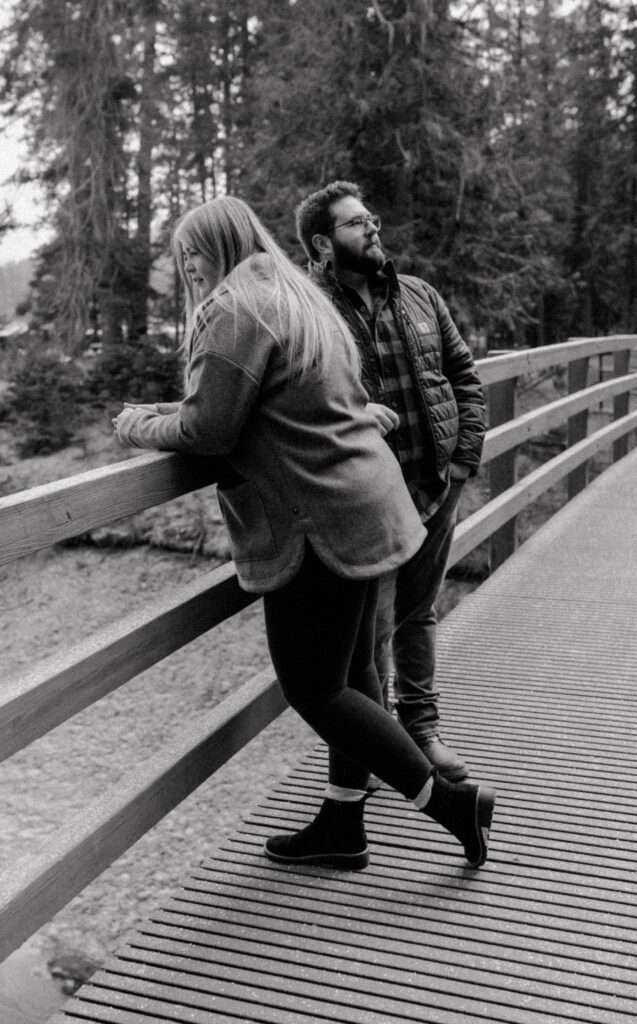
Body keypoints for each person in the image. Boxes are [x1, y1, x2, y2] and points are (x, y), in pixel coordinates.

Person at [113, 196, 495, 870]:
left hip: (317, 520)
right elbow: (245, 401)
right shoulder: (292, 294)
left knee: (315, 688)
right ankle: (342, 823)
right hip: (363, 501)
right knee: (353, 675)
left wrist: (135, 424)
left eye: (191, 259)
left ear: (215, 249)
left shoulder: (237, 307)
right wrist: (169, 411)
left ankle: (447, 804)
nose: (189, 274)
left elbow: (208, 429)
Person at [295, 181, 487, 782]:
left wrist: (463, 461)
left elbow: (463, 375)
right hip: (366, 497)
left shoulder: (420, 296)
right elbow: (300, 399)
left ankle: (422, 734)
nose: (373, 229)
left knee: (418, 613)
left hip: (435, 484)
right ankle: (378, 751)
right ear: (324, 244)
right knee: (369, 631)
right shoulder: (309, 311)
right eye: (357, 224)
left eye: (372, 218)